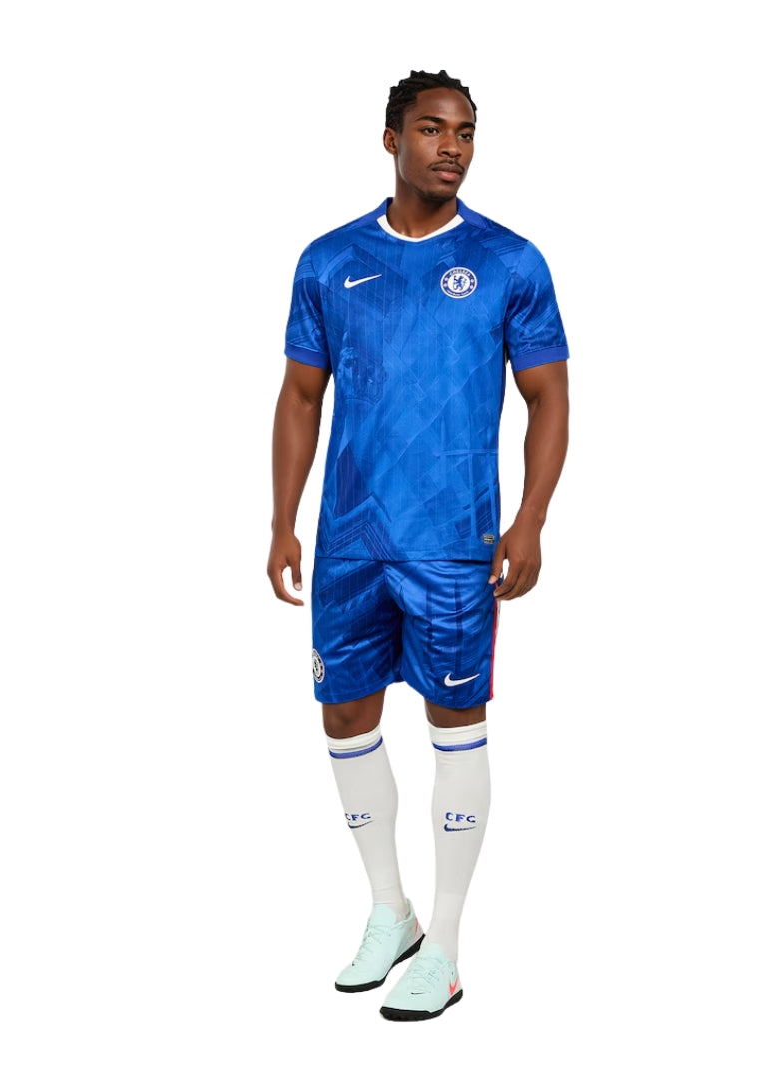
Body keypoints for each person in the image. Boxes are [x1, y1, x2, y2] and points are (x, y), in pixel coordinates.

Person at [267, 69, 570, 1021]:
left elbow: (549, 397)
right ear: (392, 138)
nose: (453, 147)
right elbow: (301, 395)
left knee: (455, 723)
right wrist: (281, 520)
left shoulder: (509, 261)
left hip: (453, 543)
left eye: (467, 132)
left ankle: (444, 940)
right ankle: (388, 909)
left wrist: (531, 518)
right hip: (351, 538)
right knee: (344, 717)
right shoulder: (330, 260)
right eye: (434, 129)